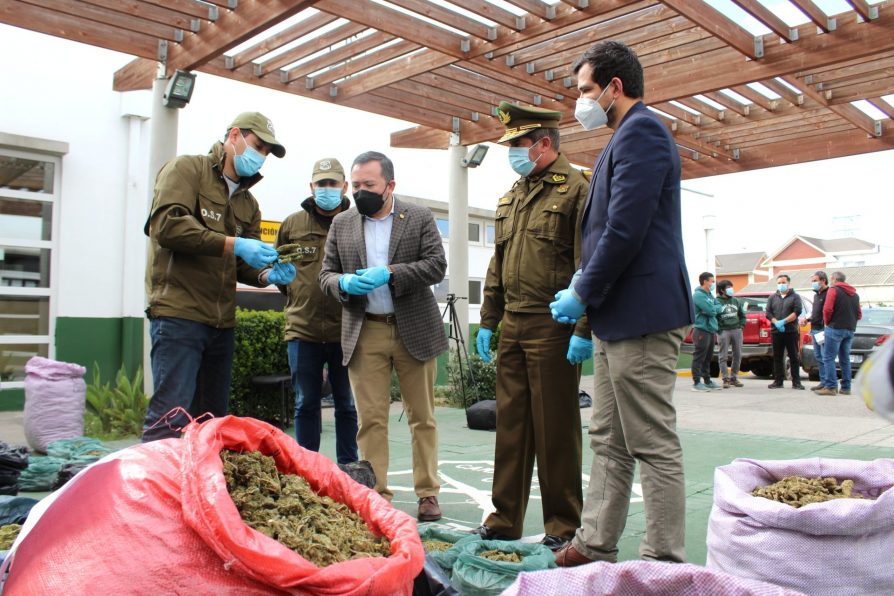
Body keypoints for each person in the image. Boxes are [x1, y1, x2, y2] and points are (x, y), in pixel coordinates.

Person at [549, 40, 694, 566]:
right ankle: (595, 543)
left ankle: (662, 560)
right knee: (607, 436)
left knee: (651, 441)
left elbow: (626, 229)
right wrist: (587, 311)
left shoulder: (645, 132)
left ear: (614, 86)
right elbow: (607, 232)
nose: (580, 101)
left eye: (586, 90)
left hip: (643, 315)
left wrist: (582, 290)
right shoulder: (620, 138)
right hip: (617, 318)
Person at [474, 101, 590, 552]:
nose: (512, 152)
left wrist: (583, 327)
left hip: (554, 324)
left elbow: (589, 263)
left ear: (543, 143)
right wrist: (489, 319)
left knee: (556, 427)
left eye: (517, 144)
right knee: (512, 426)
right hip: (515, 324)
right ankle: (504, 519)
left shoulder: (576, 189)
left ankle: (563, 525)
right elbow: (497, 264)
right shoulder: (514, 195)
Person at [142, 112, 294, 442]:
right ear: (235, 135)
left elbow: (242, 266)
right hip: (179, 314)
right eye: (258, 146)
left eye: (267, 152)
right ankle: (154, 492)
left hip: (221, 323)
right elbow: (167, 226)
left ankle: (201, 491)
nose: (261, 156)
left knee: (212, 421)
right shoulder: (187, 170)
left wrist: (268, 274)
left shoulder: (248, 203)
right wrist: (234, 243)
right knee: (171, 417)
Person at [319, 151, 448, 522]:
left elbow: (436, 265)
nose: (360, 192)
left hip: (413, 327)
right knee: (370, 419)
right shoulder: (342, 223)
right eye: (356, 185)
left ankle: (428, 493)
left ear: (390, 185)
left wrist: (390, 272)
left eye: (368, 186)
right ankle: (376, 495)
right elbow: (326, 274)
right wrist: (341, 282)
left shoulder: (418, 217)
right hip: (365, 329)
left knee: (421, 416)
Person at [275, 158, 358, 464]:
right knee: (305, 402)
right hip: (303, 329)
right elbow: (282, 274)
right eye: (321, 183)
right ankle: (307, 468)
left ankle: (348, 468)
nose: (327, 189)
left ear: (344, 187)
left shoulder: (356, 222)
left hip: (345, 330)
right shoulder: (292, 225)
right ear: (311, 187)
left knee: (346, 404)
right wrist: (300, 296)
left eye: (332, 183)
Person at [817, 271, 862, 396]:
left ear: (835, 279)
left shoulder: (833, 290)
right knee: (845, 359)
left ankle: (831, 386)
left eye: (831, 278)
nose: (831, 280)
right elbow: (859, 314)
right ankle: (846, 387)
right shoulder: (855, 294)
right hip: (850, 329)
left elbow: (827, 309)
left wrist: (827, 322)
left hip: (835, 328)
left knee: (828, 357)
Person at [765, 274, 805, 390]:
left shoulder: (795, 297)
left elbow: (797, 311)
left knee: (794, 356)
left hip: (790, 331)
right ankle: (778, 381)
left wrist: (784, 321)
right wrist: (776, 322)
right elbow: (768, 313)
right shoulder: (772, 297)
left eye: (783, 282)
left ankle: (796, 382)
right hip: (776, 331)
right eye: (779, 283)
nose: (781, 285)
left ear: (788, 283)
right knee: (777, 356)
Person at [691, 272, 722, 392]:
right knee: (699, 356)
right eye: (712, 281)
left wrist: (713, 309)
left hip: (711, 330)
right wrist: (712, 309)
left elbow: (718, 307)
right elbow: (711, 310)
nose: (713, 283)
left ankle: (707, 381)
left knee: (708, 357)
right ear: (705, 281)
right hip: (701, 330)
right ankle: (697, 382)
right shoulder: (698, 295)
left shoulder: (709, 294)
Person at [716, 279, 746, 388]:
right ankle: (725, 379)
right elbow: (714, 317)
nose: (730, 289)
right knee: (723, 355)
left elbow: (742, 315)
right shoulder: (717, 301)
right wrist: (719, 329)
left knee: (737, 354)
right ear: (722, 290)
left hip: (736, 330)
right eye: (728, 287)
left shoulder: (736, 301)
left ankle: (734, 377)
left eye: (731, 287)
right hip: (723, 331)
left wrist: (741, 325)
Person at [808, 271, 832, 392]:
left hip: (823, 329)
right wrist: (808, 318)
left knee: (825, 357)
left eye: (815, 281)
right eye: (812, 281)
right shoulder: (816, 295)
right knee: (818, 357)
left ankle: (828, 383)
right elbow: (815, 312)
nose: (813, 283)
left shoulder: (829, 293)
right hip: (814, 329)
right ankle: (823, 381)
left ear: (823, 280)